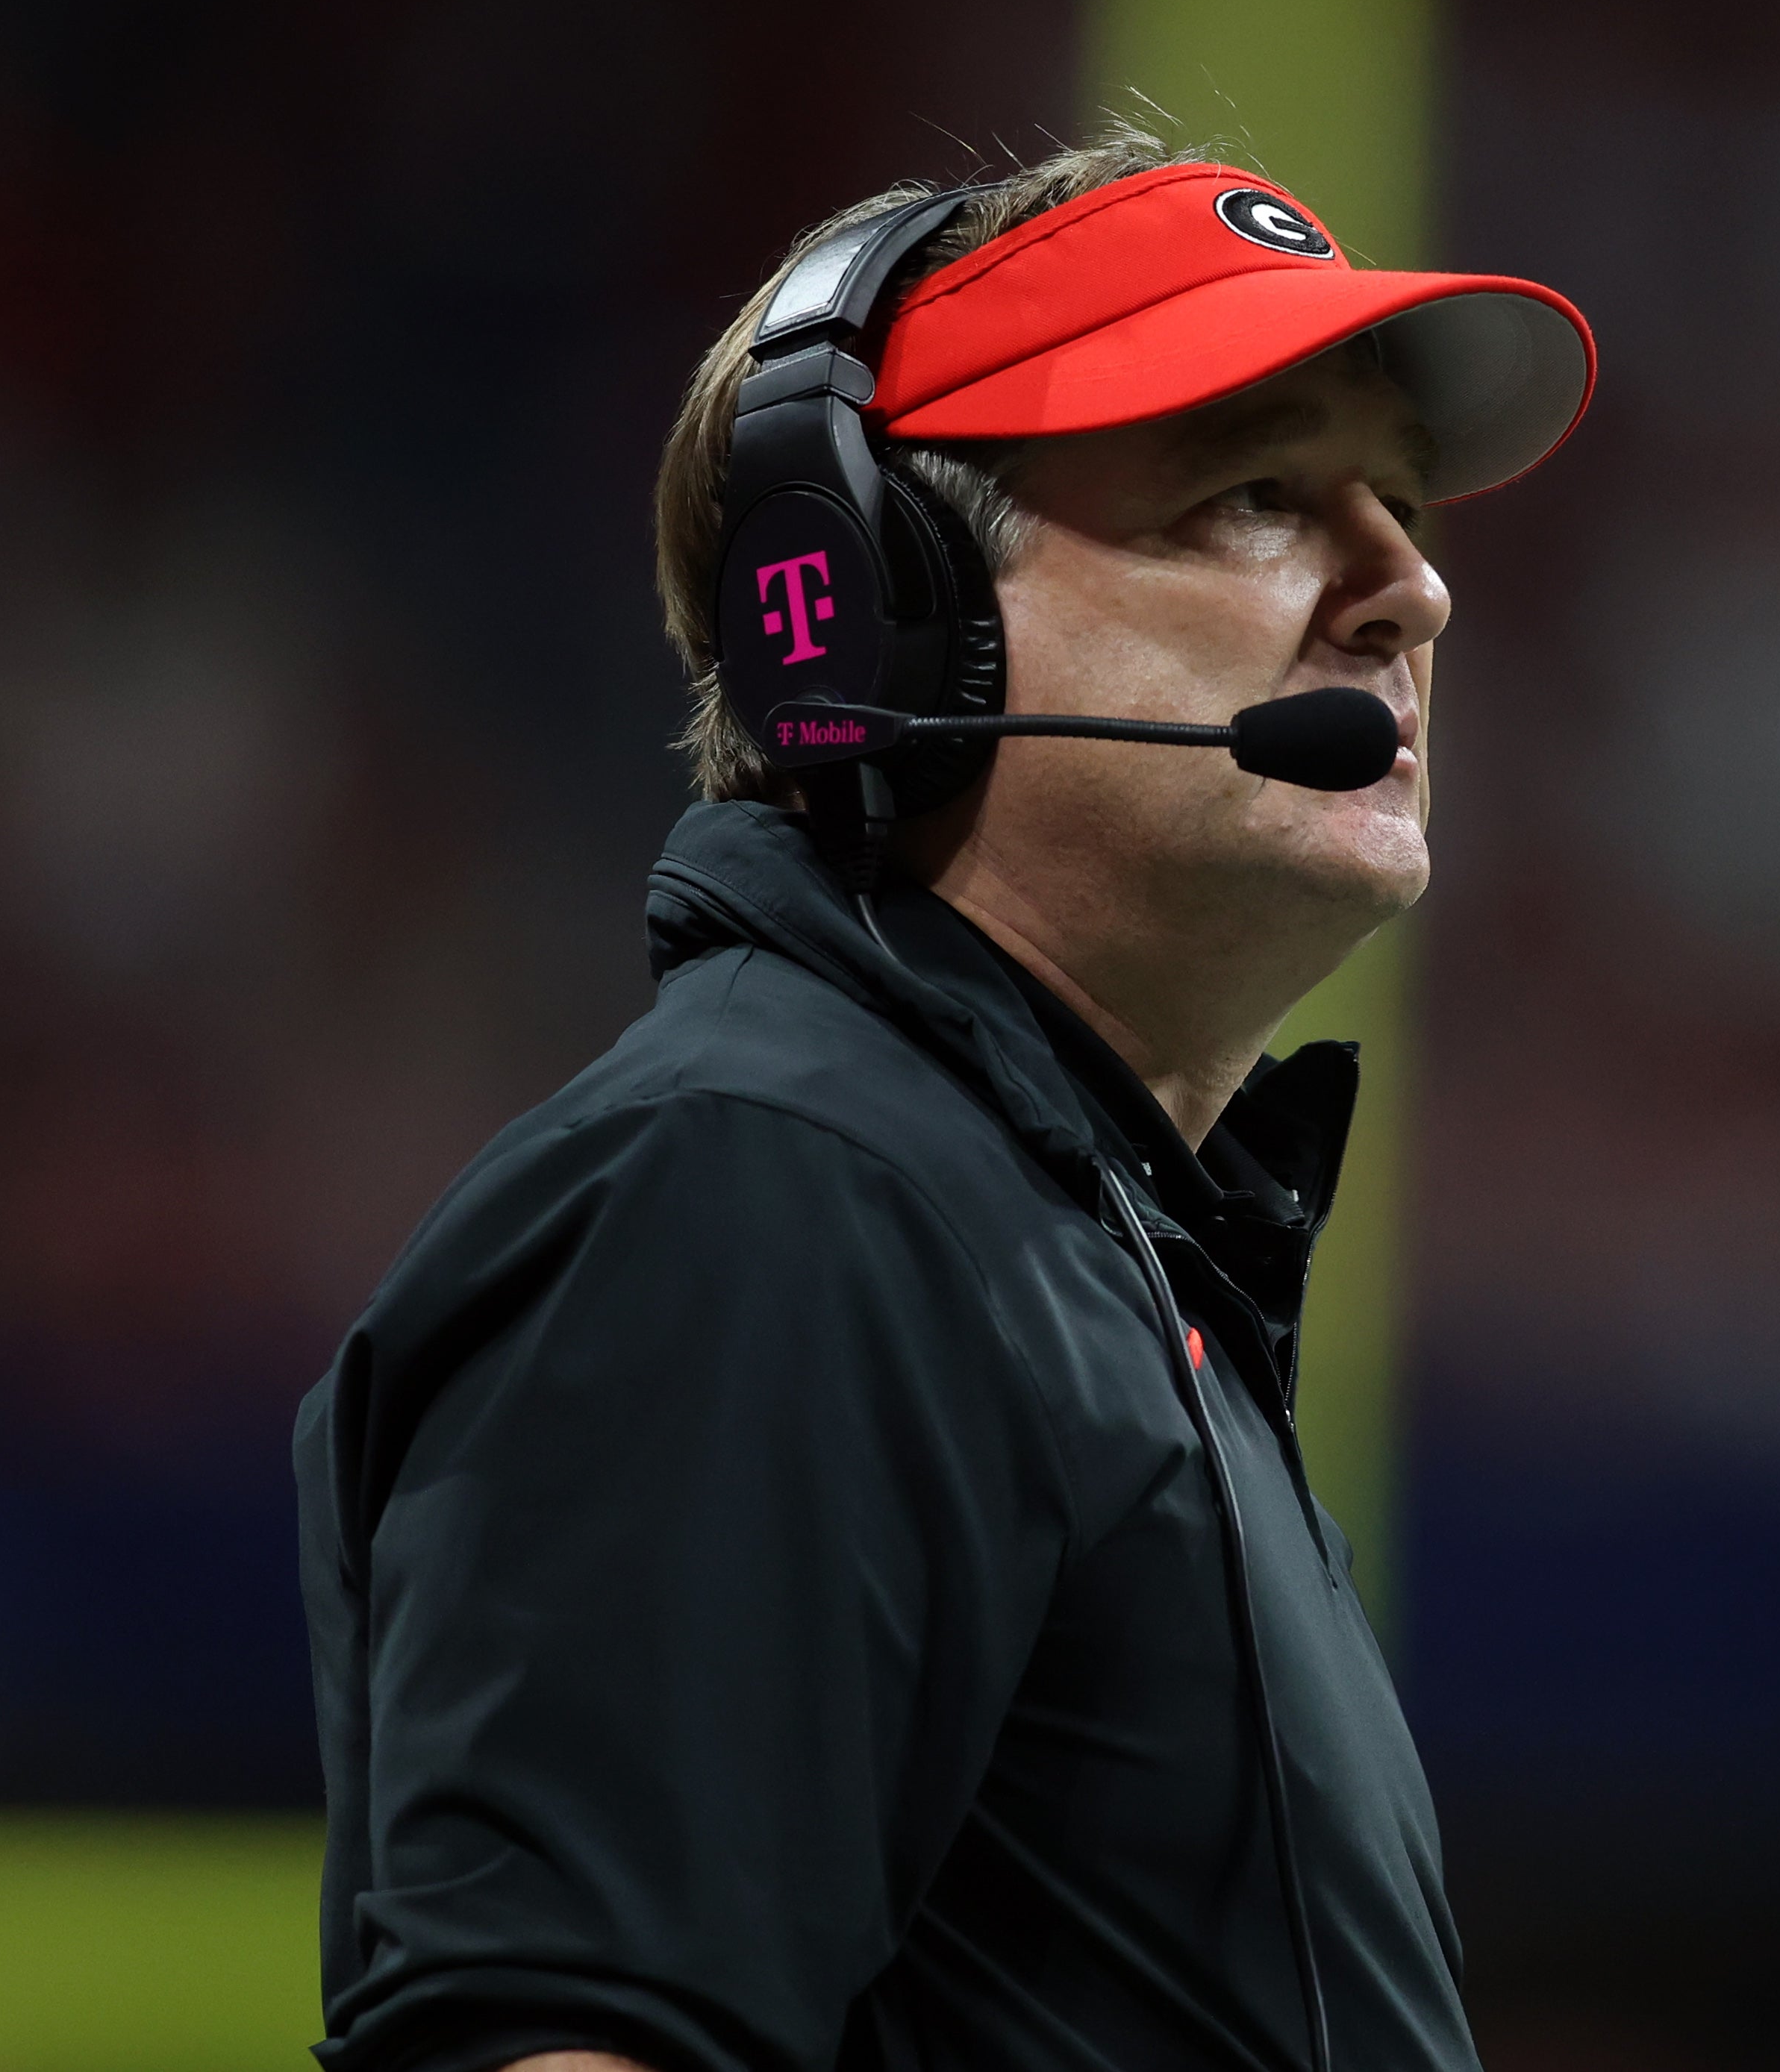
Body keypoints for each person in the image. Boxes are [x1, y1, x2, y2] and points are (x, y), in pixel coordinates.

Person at [293, 124, 1593, 2072]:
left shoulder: (1049, 1243)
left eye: (1398, 503)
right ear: (864, 608)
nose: (1408, 589)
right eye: (1254, 494)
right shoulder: (760, 1191)